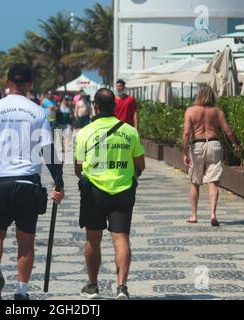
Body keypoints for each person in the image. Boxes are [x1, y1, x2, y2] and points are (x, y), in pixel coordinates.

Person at [0, 63, 65, 300]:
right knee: (25, 242)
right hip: (27, 183)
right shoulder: (38, 112)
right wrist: (59, 182)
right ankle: (21, 291)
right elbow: (47, 150)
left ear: (8, 83)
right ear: (30, 84)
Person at [74, 88, 145, 300]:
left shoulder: (84, 132)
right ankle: (122, 287)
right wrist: (131, 178)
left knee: (93, 239)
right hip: (123, 190)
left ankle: (93, 286)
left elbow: (78, 169)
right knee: (121, 238)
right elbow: (140, 164)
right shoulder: (130, 131)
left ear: (95, 106)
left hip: (94, 191)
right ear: (114, 106)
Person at [182, 84, 240, 227]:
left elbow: (186, 133)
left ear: (198, 95)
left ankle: (194, 215)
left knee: (195, 181)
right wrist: (236, 144)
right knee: (212, 181)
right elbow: (228, 131)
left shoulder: (190, 111)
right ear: (212, 96)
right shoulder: (217, 111)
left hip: (198, 145)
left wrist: (184, 152)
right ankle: (213, 214)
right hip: (214, 144)